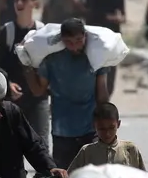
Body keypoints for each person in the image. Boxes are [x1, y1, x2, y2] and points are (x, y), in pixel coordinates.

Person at [26, 18, 111, 169]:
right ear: (62, 40)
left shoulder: (96, 56)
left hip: (91, 129)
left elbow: (102, 93)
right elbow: (38, 90)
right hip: (62, 132)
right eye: (69, 42)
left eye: (78, 40)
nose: (74, 46)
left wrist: (107, 122)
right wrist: (27, 67)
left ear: (85, 36)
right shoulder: (52, 58)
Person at [0, 0, 46, 142]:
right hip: (12, 100)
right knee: (10, 147)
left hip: (38, 98)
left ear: (34, 3)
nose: (19, 3)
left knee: (42, 145)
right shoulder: (7, 32)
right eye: (17, 0)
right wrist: (7, 83)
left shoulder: (43, 31)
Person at [69, 102, 146, 170]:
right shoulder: (86, 152)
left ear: (118, 124)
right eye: (102, 129)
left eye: (111, 128)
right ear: (94, 126)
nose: (107, 133)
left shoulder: (130, 149)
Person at [85, 0, 127, 89]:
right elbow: (85, 13)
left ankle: (106, 98)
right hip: (93, 39)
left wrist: (116, 18)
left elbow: (123, 17)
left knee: (111, 72)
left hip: (111, 39)